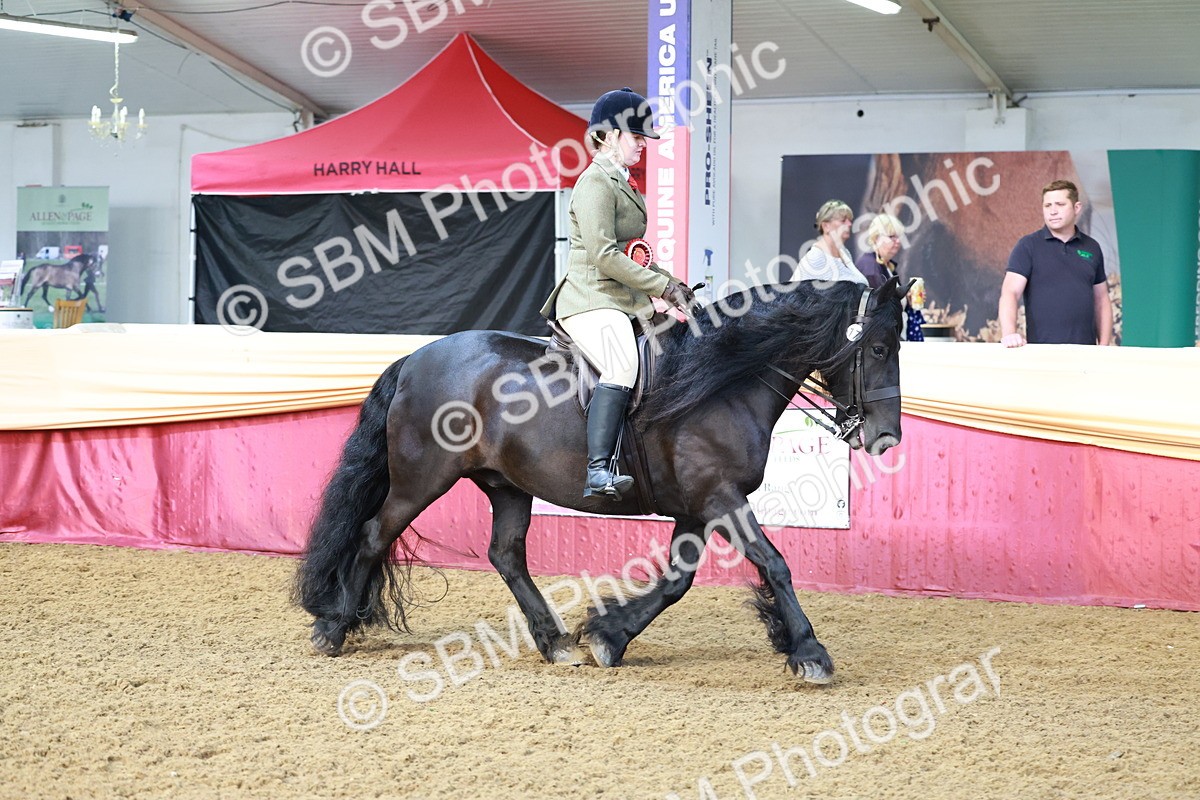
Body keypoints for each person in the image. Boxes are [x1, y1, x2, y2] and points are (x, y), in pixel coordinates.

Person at [540, 88, 697, 501]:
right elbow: (605, 256)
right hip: (591, 298)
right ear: (610, 135)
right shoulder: (594, 183)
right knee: (623, 364)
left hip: (622, 298)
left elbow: (634, 254)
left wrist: (674, 285)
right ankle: (597, 470)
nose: (643, 143)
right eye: (636, 135)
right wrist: (660, 287)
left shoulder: (622, 182)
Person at [999, 179, 1113, 347]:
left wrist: (1103, 346)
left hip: (1086, 354)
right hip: (1042, 353)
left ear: (1077, 208)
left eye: (1060, 204)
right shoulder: (1028, 245)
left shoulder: (1092, 247)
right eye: (1047, 205)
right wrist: (1009, 334)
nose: (1053, 211)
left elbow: (1101, 299)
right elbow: (1010, 292)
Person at [855, 213, 923, 341]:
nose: (897, 242)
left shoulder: (887, 265)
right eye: (892, 237)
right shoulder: (870, 268)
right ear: (875, 239)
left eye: (898, 237)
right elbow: (879, 309)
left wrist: (907, 299)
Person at [792, 200, 868, 285]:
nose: (849, 224)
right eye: (843, 220)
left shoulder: (845, 253)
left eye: (850, 220)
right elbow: (795, 292)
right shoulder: (814, 258)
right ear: (826, 226)